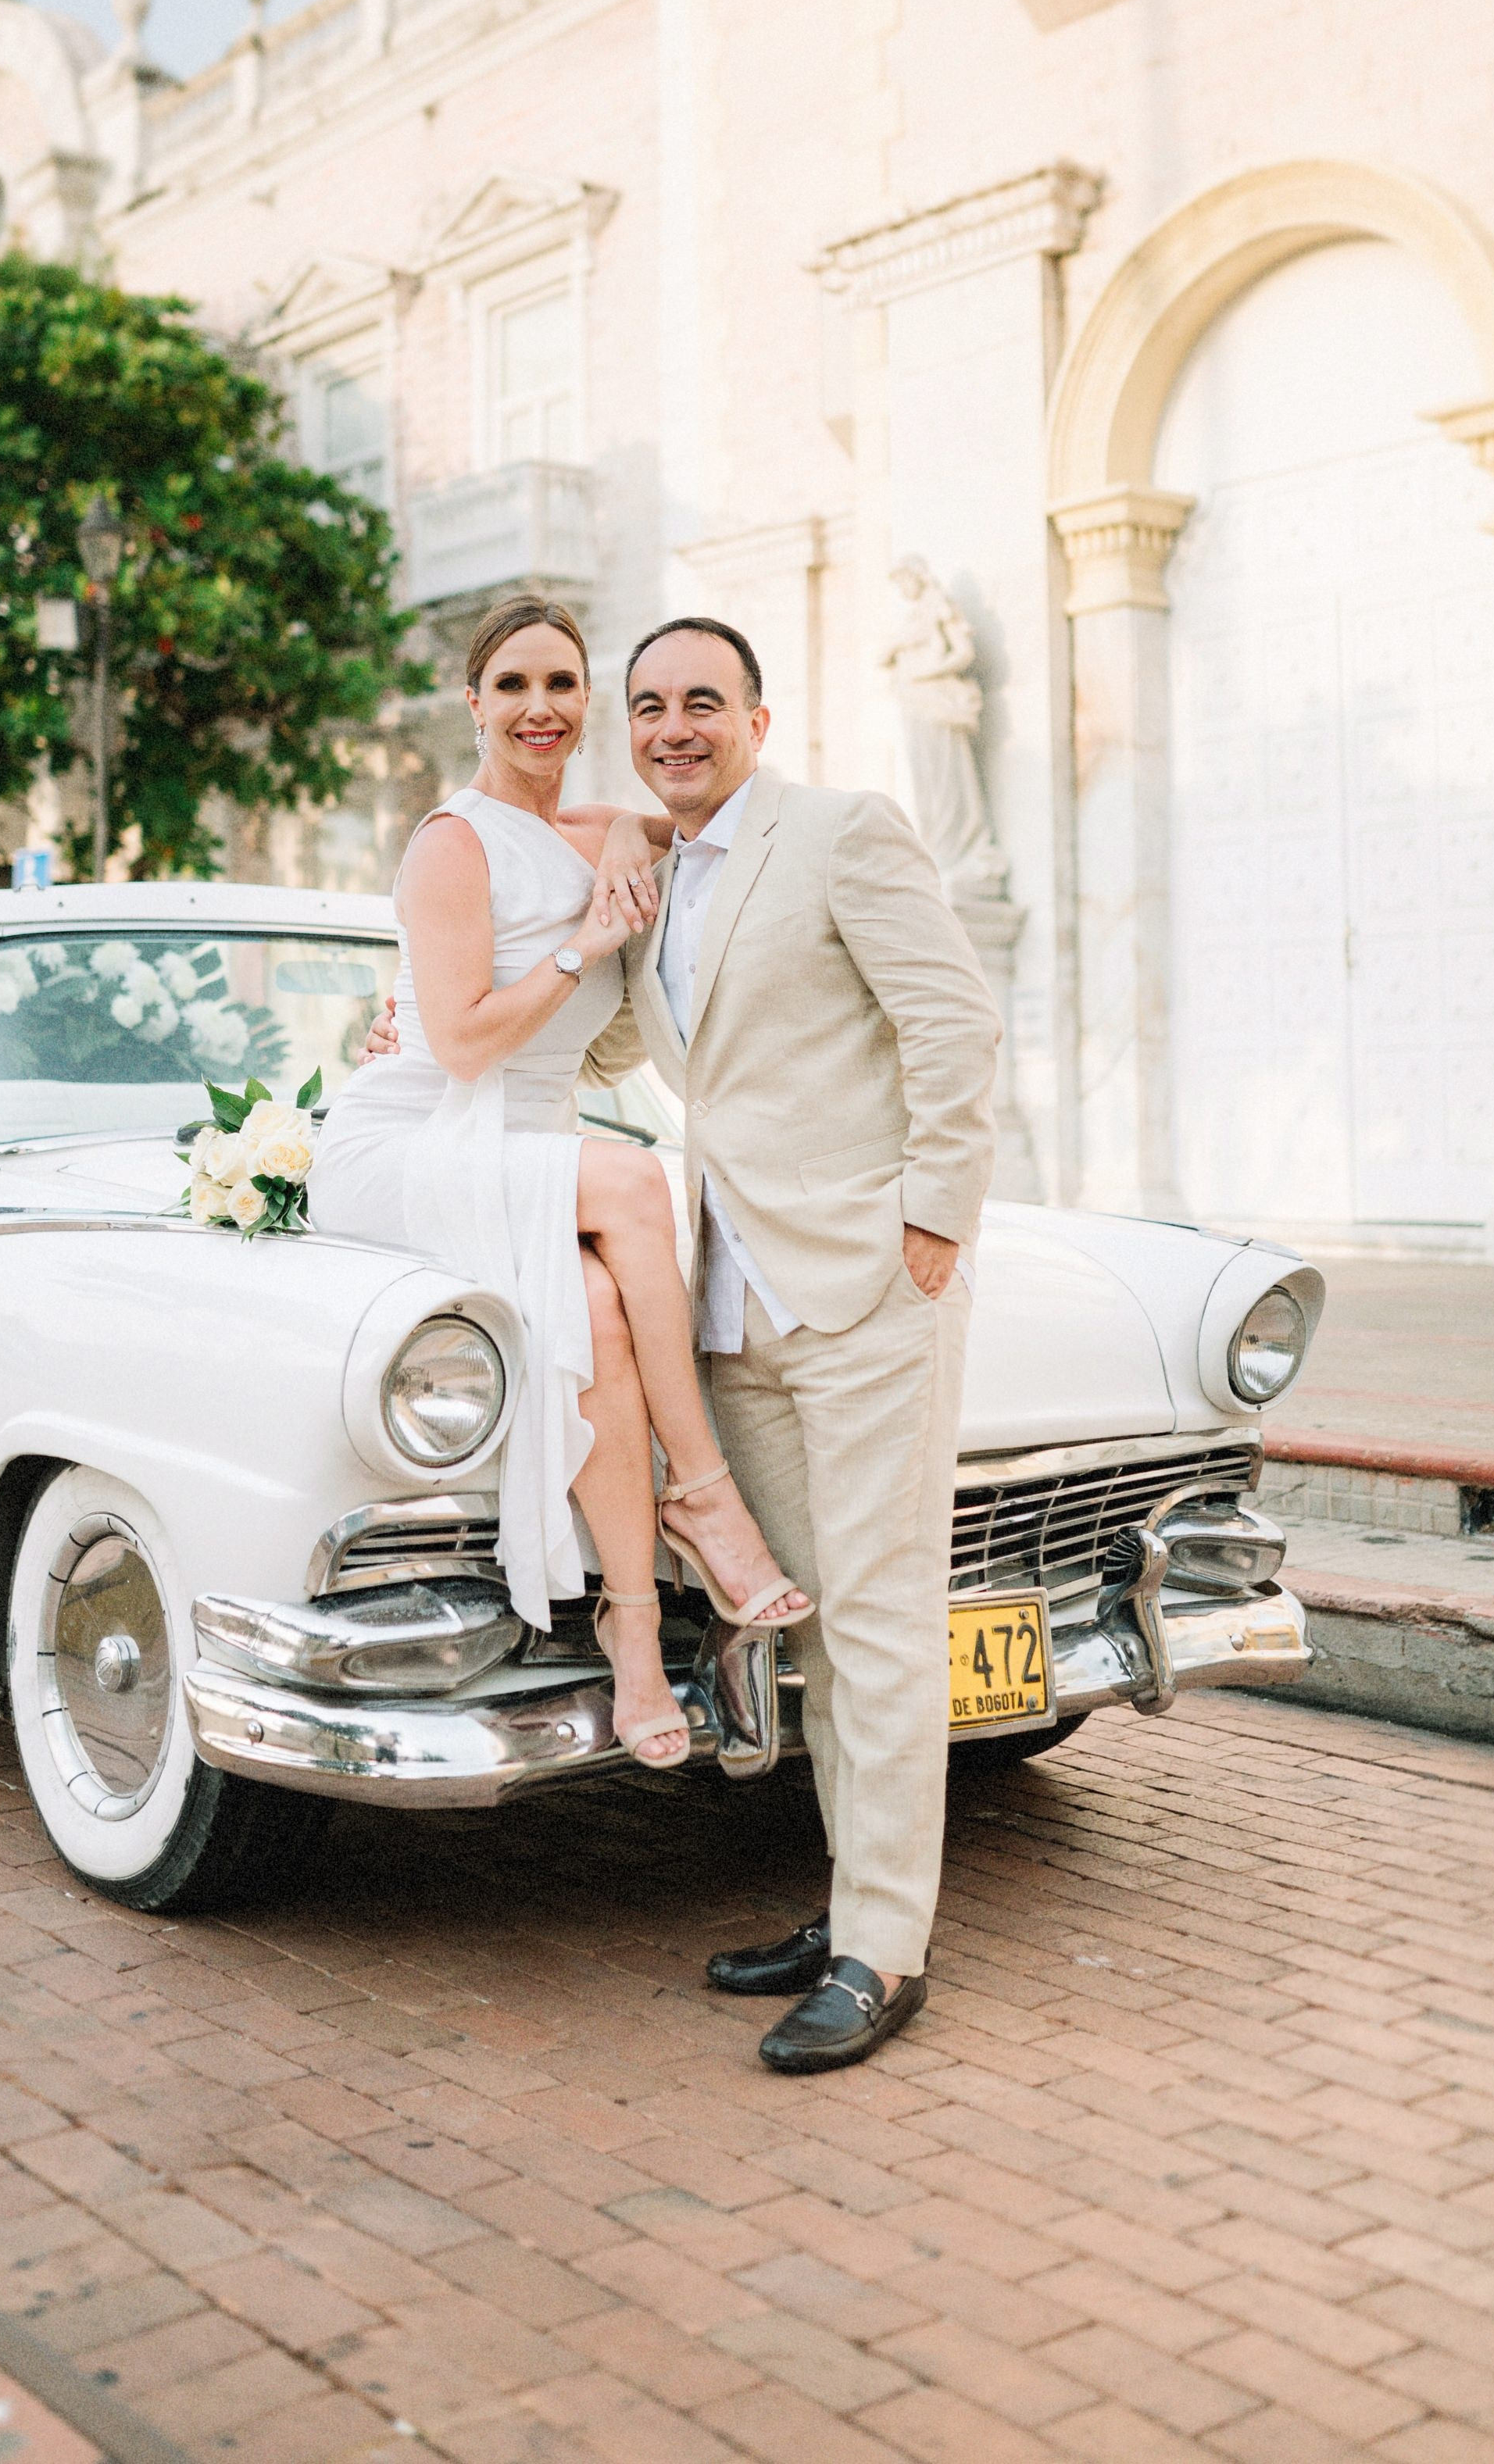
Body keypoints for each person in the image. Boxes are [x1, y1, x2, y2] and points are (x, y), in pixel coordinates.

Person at [366, 614, 1001, 2073]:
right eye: (647, 706)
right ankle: (850, 1903)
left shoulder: (841, 833)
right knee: (807, 1627)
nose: (670, 728)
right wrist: (425, 1042)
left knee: (886, 1624)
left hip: (864, 1287)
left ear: (757, 720)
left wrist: (932, 1223)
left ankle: (882, 1951)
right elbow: (603, 1049)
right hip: (726, 1301)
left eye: (700, 703)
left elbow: (953, 1025)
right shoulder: (648, 879)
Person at [313, 598, 810, 1773]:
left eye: (563, 685)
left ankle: (634, 1643)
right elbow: (468, 1041)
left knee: (594, 1316)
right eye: (514, 686)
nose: (541, 709)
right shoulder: (450, 843)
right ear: (472, 704)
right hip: (415, 1138)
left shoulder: (597, 831)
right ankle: (704, 1495)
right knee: (639, 1180)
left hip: (523, 1146)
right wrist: (585, 942)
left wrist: (633, 852)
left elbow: (644, 831)